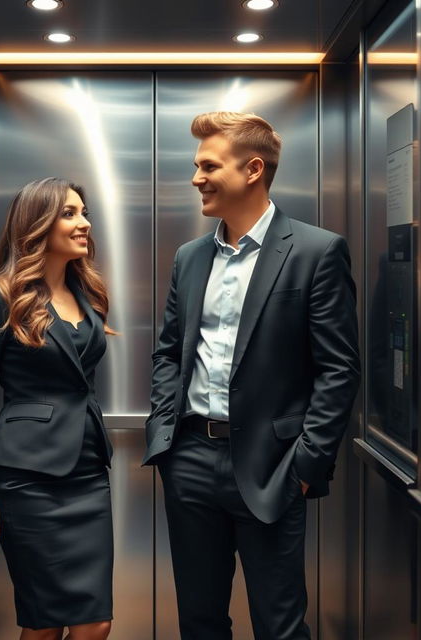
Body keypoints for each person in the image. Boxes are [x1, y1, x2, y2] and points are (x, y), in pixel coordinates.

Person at [143, 111, 360, 640]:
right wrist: (165, 438)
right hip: (190, 460)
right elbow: (170, 352)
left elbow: (339, 369)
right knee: (199, 620)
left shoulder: (315, 251)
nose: (196, 177)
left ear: (253, 169)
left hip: (273, 467)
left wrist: (306, 464)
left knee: (280, 624)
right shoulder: (190, 258)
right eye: (197, 166)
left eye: (208, 166)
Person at [0, 178, 114, 640]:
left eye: (84, 212)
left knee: (96, 623)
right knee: (44, 624)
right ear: (37, 224)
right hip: (27, 479)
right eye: (69, 213)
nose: (84, 223)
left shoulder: (87, 296)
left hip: (88, 475)